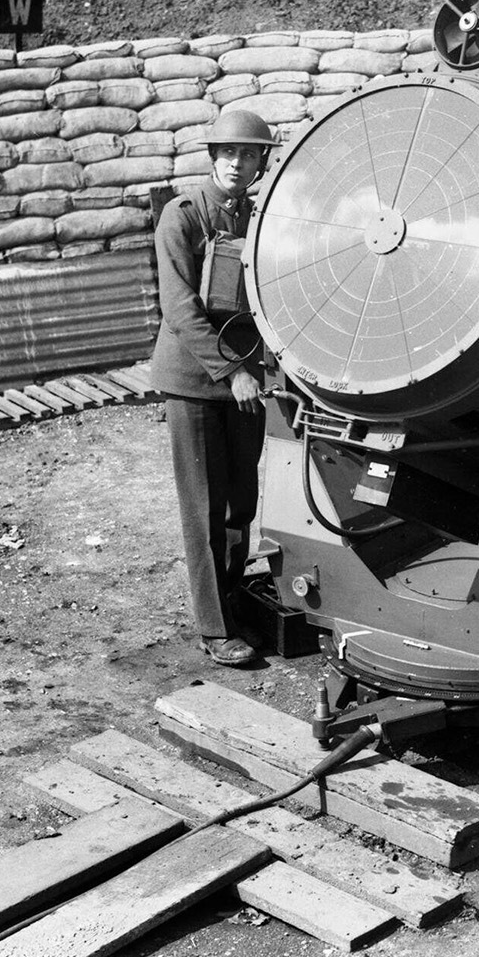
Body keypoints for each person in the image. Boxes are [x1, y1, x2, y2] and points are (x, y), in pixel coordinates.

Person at [148, 108, 280, 667]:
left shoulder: (261, 218)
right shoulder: (181, 217)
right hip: (197, 381)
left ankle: (231, 602)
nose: (236, 162)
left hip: (245, 382)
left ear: (260, 162)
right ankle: (214, 626)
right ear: (212, 157)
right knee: (204, 508)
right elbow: (179, 308)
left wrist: (269, 366)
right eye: (228, 152)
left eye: (248, 154)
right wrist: (234, 371)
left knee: (240, 504)